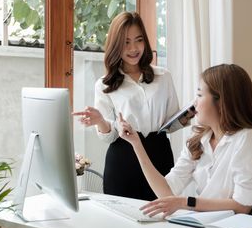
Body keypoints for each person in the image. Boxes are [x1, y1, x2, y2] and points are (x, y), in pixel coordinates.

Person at [117, 64, 252, 217]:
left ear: (221, 101)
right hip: (202, 227)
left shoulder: (248, 139)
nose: (194, 103)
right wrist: (136, 144)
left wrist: (185, 202)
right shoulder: (199, 140)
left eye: (200, 95)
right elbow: (166, 191)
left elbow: (242, 206)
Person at [73, 11, 191, 202]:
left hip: (159, 155)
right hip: (122, 159)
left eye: (138, 40)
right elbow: (109, 137)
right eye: (126, 42)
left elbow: (171, 124)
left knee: (162, 218)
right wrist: (101, 121)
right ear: (116, 45)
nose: (134, 48)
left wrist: (187, 117)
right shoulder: (104, 84)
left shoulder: (163, 77)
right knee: (121, 223)